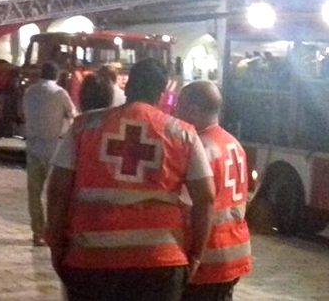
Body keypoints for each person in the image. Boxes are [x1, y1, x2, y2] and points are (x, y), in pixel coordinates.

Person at [46, 58, 215, 301]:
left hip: (91, 260)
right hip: (159, 264)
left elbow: (57, 189)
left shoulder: (85, 126)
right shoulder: (183, 134)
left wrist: (56, 245)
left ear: (127, 87)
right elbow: (206, 198)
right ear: (161, 93)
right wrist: (196, 256)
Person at [175, 82, 252, 301]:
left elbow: (187, 206)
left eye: (178, 105)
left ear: (193, 110)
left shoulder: (200, 149)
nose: (173, 112)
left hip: (208, 256)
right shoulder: (233, 144)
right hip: (234, 252)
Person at [22, 62, 76, 247]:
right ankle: (54, 232)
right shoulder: (60, 93)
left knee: (34, 192)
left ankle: (37, 232)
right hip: (53, 149)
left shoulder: (29, 91)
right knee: (55, 193)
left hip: (32, 146)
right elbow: (73, 115)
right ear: (57, 75)